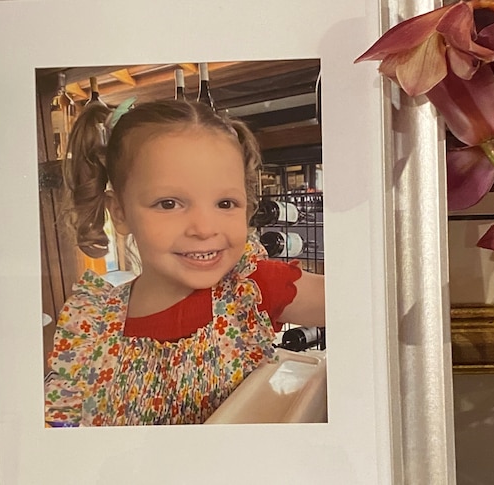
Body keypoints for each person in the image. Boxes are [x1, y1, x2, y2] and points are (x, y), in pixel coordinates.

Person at [44, 98, 325, 426]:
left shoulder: (253, 288)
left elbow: (372, 302)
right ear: (119, 212)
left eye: (225, 202)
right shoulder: (88, 322)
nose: (204, 229)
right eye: (168, 203)